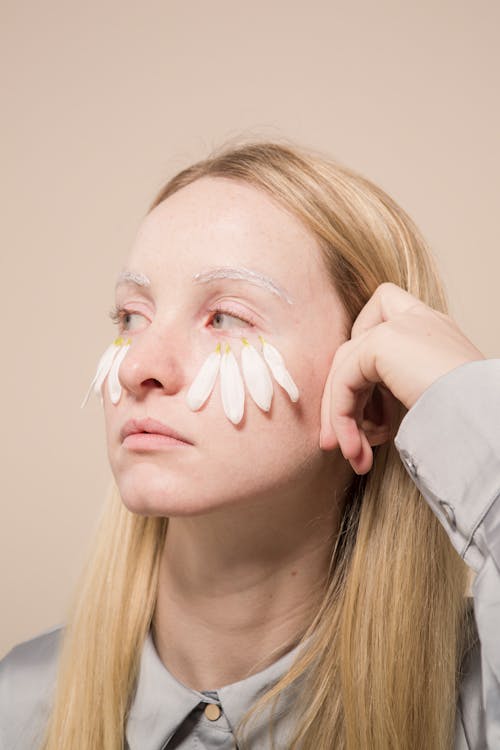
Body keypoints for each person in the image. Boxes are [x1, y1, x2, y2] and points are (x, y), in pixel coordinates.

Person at [0, 140, 498, 750]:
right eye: (131, 316)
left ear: (370, 398)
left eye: (226, 317)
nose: (139, 369)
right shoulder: (18, 709)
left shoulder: (479, 701)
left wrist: (467, 397)